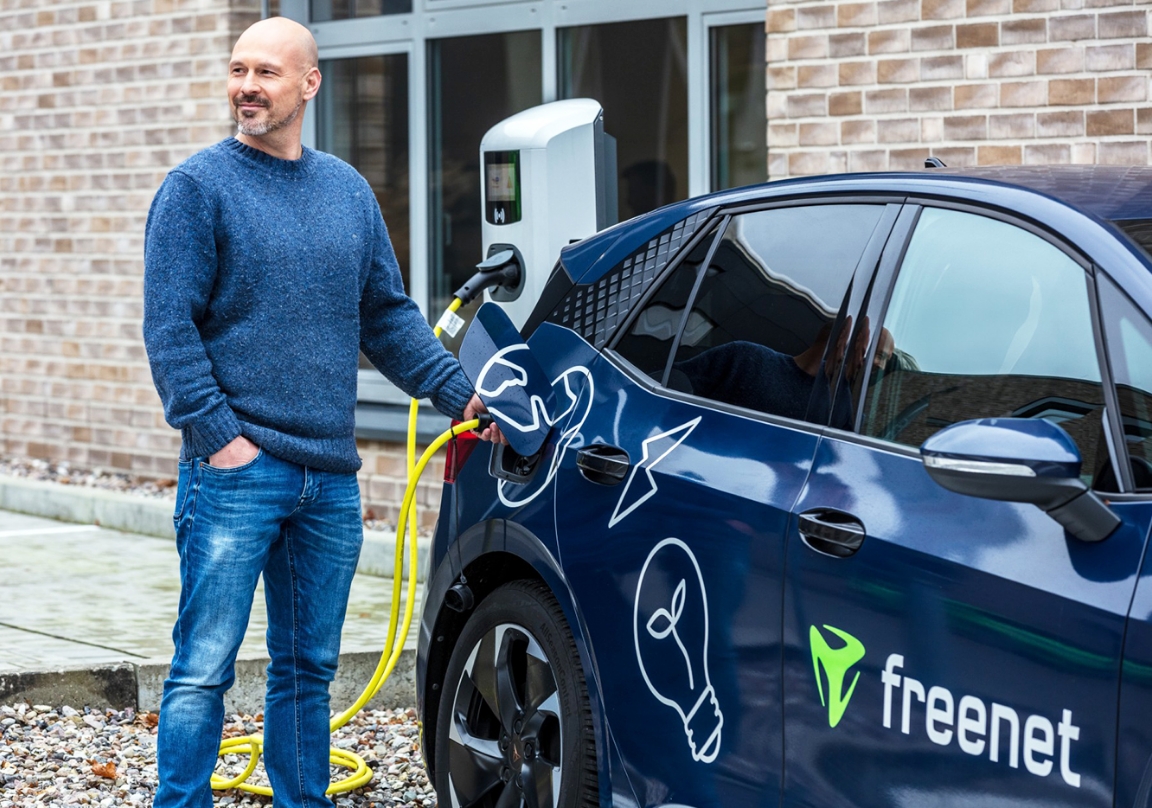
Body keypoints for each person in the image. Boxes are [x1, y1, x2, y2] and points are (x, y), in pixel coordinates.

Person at [142, 17, 501, 808]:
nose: (247, 87)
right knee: (204, 664)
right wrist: (218, 440)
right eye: (238, 70)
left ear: (309, 84)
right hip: (237, 469)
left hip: (329, 480)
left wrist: (457, 393)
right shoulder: (197, 189)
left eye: (267, 72)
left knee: (307, 666)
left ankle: (305, 798)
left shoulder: (346, 191)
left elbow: (388, 317)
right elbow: (168, 329)